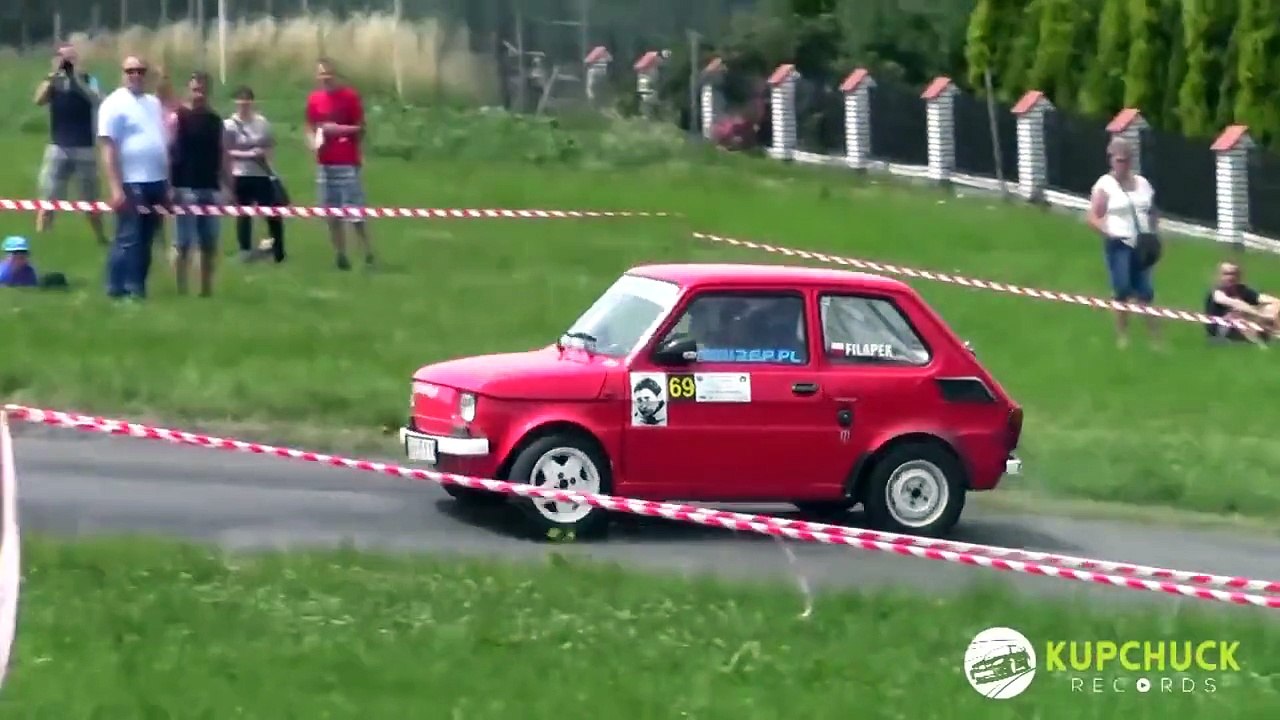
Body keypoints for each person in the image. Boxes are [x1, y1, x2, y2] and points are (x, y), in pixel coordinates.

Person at [97, 55, 170, 300]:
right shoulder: (113, 104)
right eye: (131, 71)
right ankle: (121, 287)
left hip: (156, 181)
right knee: (129, 237)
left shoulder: (153, 103)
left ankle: (137, 285)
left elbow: (162, 139)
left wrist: (167, 182)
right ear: (123, 73)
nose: (136, 75)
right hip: (131, 181)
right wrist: (116, 188)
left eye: (140, 71)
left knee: (147, 238)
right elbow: (108, 148)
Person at [1086, 137, 1161, 349]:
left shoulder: (1143, 184)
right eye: (1118, 160)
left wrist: (1154, 232)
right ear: (1111, 159)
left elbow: (1153, 210)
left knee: (1145, 291)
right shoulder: (1104, 185)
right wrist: (1108, 232)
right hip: (1119, 244)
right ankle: (1123, 337)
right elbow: (1093, 216)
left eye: (1126, 160)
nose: (1122, 164)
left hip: (1142, 245)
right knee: (1122, 290)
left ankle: (1155, 338)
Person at [33, 43, 107, 245]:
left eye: (70, 59)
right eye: (63, 58)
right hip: (58, 147)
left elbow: (98, 99)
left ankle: (100, 238)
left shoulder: (89, 80)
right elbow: (38, 100)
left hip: (85, 147)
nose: (67, 63)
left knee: (90, 199)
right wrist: (54, 76)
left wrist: (75, 78)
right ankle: (43, 237)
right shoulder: (53, 82)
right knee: (48, 195)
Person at [305, 58, 375, 270]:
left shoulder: (349, 97)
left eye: (328, 74)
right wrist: (312, 142)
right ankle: (340, 254)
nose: (325, 78)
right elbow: (309, 126)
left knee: (355, 211)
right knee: (330, 212)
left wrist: (340, 130)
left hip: (347, 161)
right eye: (321, 74)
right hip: (324, 164)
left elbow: (361, 127)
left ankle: (367, 252)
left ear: (335, 75)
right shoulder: (314, 99)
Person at [169, 71, 231, 297]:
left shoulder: (216, 121)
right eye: (195, 89)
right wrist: (170, 186)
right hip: (184, 187)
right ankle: (181, 289)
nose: (199, 94)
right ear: (189, 89)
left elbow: (223, 154)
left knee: (209, 245)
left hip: (210, 188)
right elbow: (170, 152)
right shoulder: (179, 117)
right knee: (183, 244)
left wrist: (229, 186)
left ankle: (206, 290)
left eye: (203, 89)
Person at [225, 85, 286, 263]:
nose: (244, 103)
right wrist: (248, 154)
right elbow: (226, 150)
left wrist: (265, 157)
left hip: (261, 174)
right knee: (243, 214)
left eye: (247, 100)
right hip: (239, 174)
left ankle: (279, 250)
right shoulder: (228, 125)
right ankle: (244, 249)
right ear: (235, 102)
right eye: (240, 100)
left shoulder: (261, 122)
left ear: (252, 102)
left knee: (272, 212)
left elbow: (270, 146)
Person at [1204, 262, 1280, 346]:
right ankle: (1261, 346)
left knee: (1271, 307)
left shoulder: (1241, 289)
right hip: (1220, 329)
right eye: (1226, 274)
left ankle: (1274, 336)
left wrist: (1275, 306)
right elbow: (1232, 302)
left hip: (1243, 326)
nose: (1230, 277)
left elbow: (1265, 298)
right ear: (1219, 276)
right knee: (1238, 317)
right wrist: (1259, 315)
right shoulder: (1216, 292)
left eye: (1234, 274)